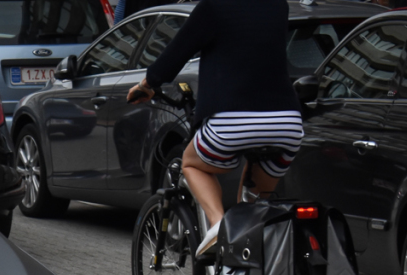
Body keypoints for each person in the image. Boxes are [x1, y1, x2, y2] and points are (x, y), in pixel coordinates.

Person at [126, 0, 303, 255]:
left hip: (232, 121)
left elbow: (177, 52)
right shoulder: (278, 6)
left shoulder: (214, 7)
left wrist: (148, 84)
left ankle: (217, 225)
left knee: (191, 163)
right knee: (256, 202)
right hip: (287, 124)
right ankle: (255, 269)